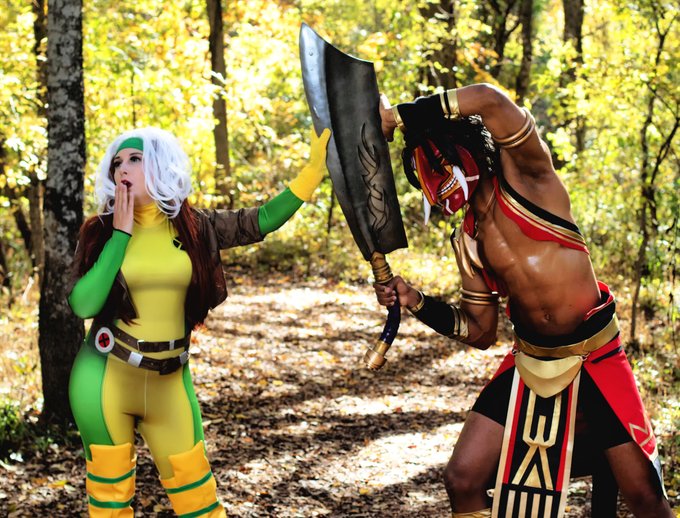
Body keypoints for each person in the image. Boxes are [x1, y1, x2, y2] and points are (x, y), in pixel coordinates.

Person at [374, 84, 672, 518]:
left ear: (463, 147)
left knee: (644, 496)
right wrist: (415, 300)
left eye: (438, 163)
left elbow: (489, 99)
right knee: (462, 478)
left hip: (595, 357)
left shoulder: (529, 177)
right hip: (530, 364)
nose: (436, 180)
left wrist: (399, 116)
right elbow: (480, 331)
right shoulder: (468, 238)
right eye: (427, 172)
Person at [68, 125, 330, 517]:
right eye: (117, 162)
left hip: (170, 378)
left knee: (200, 502)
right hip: (105, 377)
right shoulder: (99, 231)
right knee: (110, 504)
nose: (122, 168)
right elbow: (83, 304)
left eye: (135, 159)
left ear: (160, 165)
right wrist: (121, 235)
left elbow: (259, 220)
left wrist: (311, 173)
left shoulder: (194, 225)